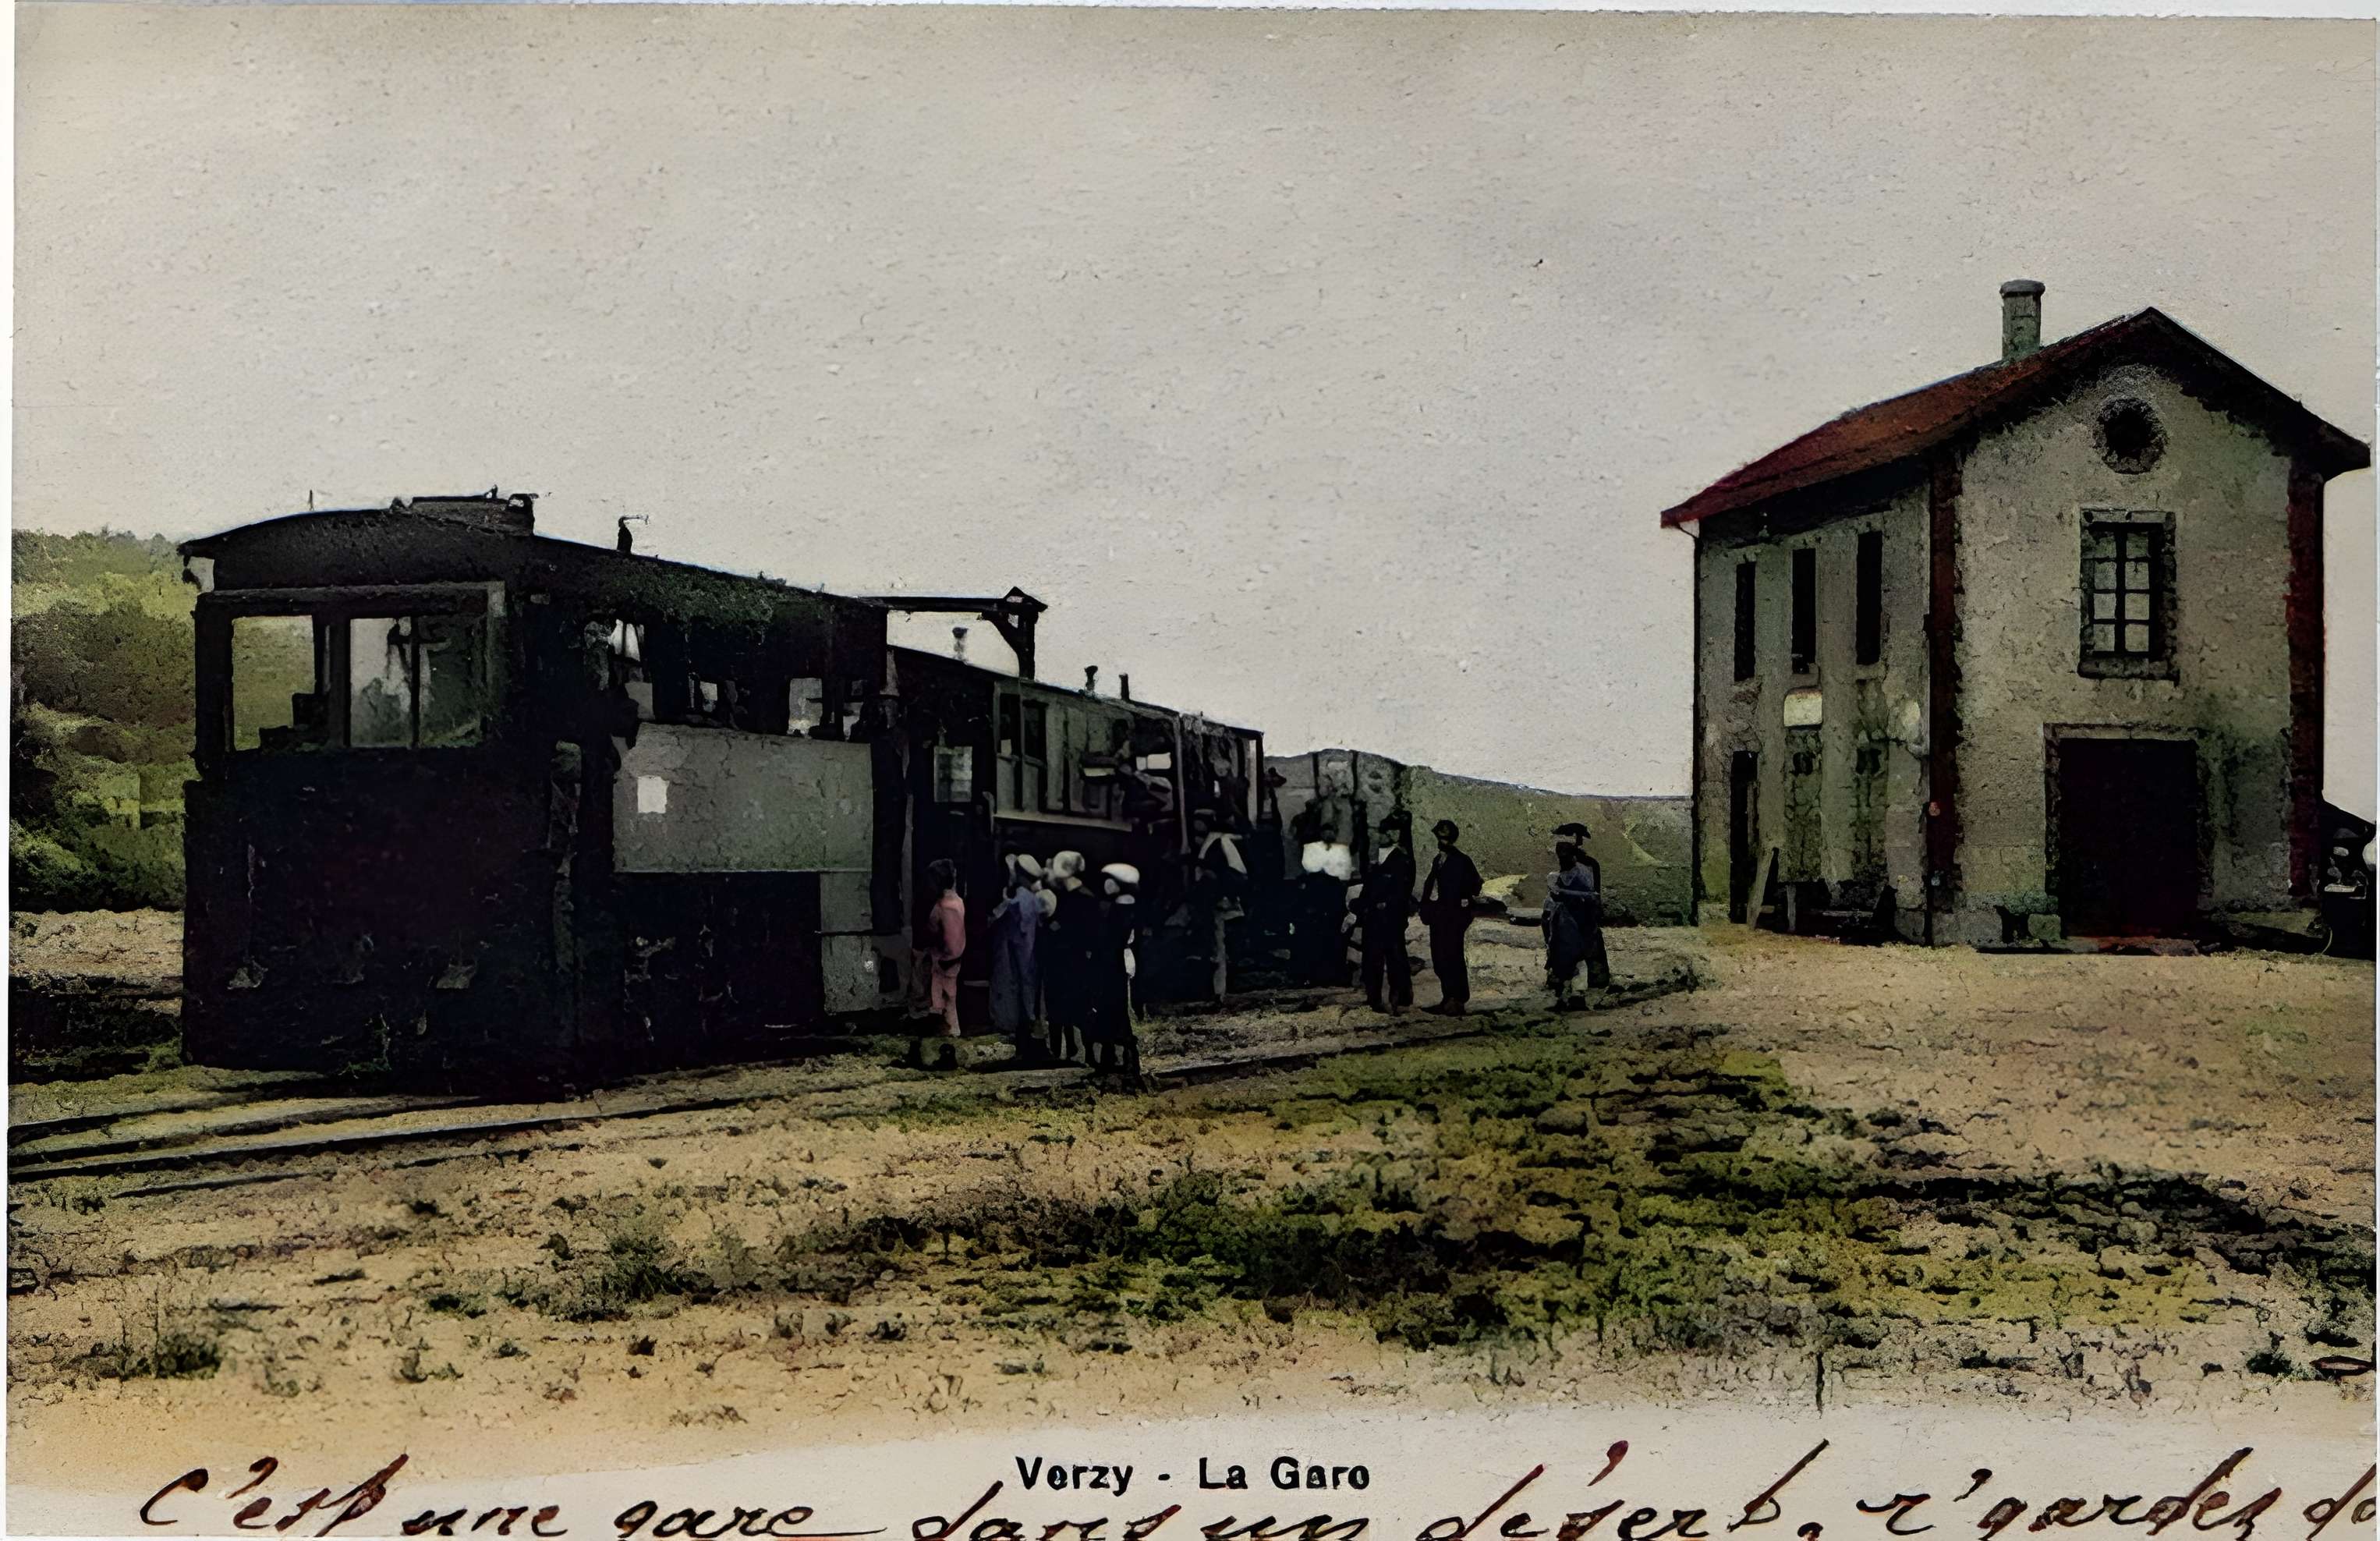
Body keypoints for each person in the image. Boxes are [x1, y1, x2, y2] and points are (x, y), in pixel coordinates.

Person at [1418, 819, 1482, 1015]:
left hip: (1453, 918)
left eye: (1445, 838)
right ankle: (1447, 998)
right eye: (1439, 837)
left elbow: (1476, 885)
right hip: (1438, 916)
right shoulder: (1437, 861)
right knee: (1439, 958)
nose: (1442, 841)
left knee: (1452, 957)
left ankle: (1458, 1000)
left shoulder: (1462, 861)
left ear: (1452, 839)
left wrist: (1461, 900)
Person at [1088, 863, 1143, 1082]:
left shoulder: (1120, 909)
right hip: (1120, 962)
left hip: (1116, 963)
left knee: (1114, 1006)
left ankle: (1119, 1058)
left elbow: (1110, 941)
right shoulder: (1127, 907)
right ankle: (1120, 1057)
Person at [1358, 810, 1416, 1014]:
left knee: (1395, 956)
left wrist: (1389, 904)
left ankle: (1400, 997)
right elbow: (1369, 885)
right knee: (1373, 957)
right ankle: (1374, 997)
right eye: (1387, 831)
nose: (1389, 835)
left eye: (1394, 831)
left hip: (1391, 916)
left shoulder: (1402, 858)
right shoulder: (1376, 857)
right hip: (1374, 916)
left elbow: (1404, 887)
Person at [988, 852, 1045, 1059]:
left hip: (1016, 952)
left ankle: (1025, 1040)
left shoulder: (1017, 901)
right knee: (1031, 994)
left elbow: (1002, 925)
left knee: (1018, 995)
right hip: (1031, 952)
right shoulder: (1035, 899)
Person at [1543, 838, 1611, 1008]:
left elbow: (1591, 896)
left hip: (1581, 920)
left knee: (1579, 956)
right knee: (1563, 957)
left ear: (1573, 857)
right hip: (1564, 923)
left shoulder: (1582, 873)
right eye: (1560, 858)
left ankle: (1578, 995)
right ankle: (1564, 995)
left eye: (1565, 858)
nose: (1562, 861)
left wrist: (1564, 894)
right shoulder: (1559, 875)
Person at [1043, 851, 1096, 1065]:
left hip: (1075, 962)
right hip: (1064, 962)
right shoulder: (1068, 897)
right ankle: (1066, 1052)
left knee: (1077, 1009)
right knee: (1062, 1009)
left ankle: (1086, 1053)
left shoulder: (1083, 899)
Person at [919, 859, 966, 1066]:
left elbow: (932, 930)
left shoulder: (940, 907)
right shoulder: (959, 902)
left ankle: (944, 1033)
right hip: (957, 954)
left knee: (938, 995)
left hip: (942, 956)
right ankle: (954, 1030)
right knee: (952, 994)